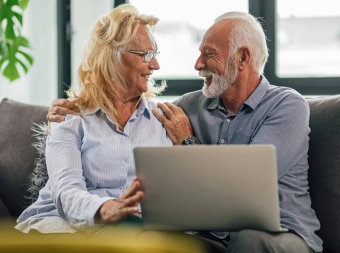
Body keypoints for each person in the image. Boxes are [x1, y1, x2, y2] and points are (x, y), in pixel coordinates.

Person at [47, 11, 323, 253]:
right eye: (199, 53)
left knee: (248, 241)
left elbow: (244, 190)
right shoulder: (190, 106)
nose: (197, 64)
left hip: (281, 234)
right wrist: (70, 107)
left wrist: (187, 141)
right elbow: (133, 109)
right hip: (213, 236)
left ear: (242, 57)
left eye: (209, 54)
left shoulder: (287, 106)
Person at [15, 4, 172, 233]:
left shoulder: (163, 120)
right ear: (112, 56)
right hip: (62, 223)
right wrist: (107, 209)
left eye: (155, 54)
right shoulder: (69, 117)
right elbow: (66, 192)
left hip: (130, 229)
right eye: (145, 54)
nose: (155, 65)